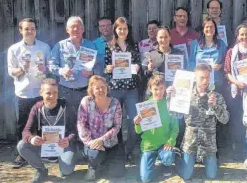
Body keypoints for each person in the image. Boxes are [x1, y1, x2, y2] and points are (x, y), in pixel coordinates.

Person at [171, 64, 229, 180]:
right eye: (202, 78)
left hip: (208, 143)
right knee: (186, 175)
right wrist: (171, 99)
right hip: (190, 142)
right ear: (195, 78)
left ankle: (207, 161)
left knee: (211, 175)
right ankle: (178, 157)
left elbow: (225, 119)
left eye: (207, 77)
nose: (205, 81)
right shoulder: (186, 94)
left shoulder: (216, 96)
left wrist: (216, 106)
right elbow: (175, 115)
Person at [7, 18, 51, 168]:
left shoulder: (44, 47)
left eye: (32, 28)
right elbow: (11, 71)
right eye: (26, 29)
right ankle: (23, 153)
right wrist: (22, 68)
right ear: (20, 30)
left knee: (42, 123)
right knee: (23, 125)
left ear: (36, 30)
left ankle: (42, 152)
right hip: (23, 93)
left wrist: (43, 69)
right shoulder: (14, 49)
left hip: (41, 92)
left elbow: (50, 66)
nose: (30, 31)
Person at [17, 78, 77, 183]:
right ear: (41, 93)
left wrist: (68, 139)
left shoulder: (66, 106)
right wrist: (31, 139)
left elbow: (75, 130)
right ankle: (41, 170)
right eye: (48, 93)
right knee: (21, 145)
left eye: (55, 93)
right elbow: (26, 131)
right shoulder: (37, 108)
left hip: (63, 145)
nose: (52, 96)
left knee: (67, 171)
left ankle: (63, 163)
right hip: (44, 145)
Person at [104, 17, 141, 164]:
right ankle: (117, 151)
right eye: (120, 28)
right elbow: (106, 67)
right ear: (115, 30)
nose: (122, 31)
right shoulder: (109, 46)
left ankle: (130, 150)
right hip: (115, 89)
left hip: (131, 88)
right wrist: (108, 68)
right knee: (114, 121)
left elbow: (138, 62)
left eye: (125, 28)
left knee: (134, 121)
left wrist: (137, 68)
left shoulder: (133, 45)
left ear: (128, 30)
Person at [188, 17, 228, 150]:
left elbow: (226, 63)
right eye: (207, 27)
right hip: (199, 85)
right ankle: (197, 147)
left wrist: (220, 66)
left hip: (216, 84)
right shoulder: (195, 44)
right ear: (203, 29)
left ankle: (214, 147)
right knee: (199, 115)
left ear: (215, 29)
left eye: (212, 27)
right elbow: (191, 64)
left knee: (214, 114)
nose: (209, 29)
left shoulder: (221, 44)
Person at [77, 75, 125, 181]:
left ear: (107, 88)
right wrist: (91, 143)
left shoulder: (115, 103)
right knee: (95, 155)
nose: (101, 90)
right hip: (92, 142)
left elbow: (117, 127)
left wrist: (101, 140)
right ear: (91, 89)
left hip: (110, 142)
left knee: (117, 173)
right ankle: (93, 166)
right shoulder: (86, 102)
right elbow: (81, 125)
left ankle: (104, 162)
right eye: (97, 87)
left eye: (103, 87)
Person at [134, 74, 179, 182]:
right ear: (150, 89)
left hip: (164, 145)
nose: (158, 92)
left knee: (168, 157)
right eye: (155, 89)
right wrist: (137, 123)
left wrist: (171, 141)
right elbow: (138, 131)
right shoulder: (145, 106)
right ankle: (153, 162)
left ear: (165, 88)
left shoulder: (169, 105)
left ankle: (166, 163)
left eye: (161, 88)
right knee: (145, 179)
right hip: (148, 146)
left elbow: (175, 128)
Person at [223, 24, 247, 151]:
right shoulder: (231, 52)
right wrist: (236, 83)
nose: (244, 37)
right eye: (242, 34)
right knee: (236, 121)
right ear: (237, 36)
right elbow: (227, 72)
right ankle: (237, 149)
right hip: (236, 92)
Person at [50, 16, 99, 112]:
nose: (76, 29)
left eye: (79, 26)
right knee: (68, 121)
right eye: (72, 27)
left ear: (83, 29)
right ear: (67, 30)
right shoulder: (60, 45)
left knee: (86, 121)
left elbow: (99, 66)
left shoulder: (91, 45)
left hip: (86, 90)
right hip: (66, 91)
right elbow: (51, 65)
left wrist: (92, 72)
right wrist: (61, 70)